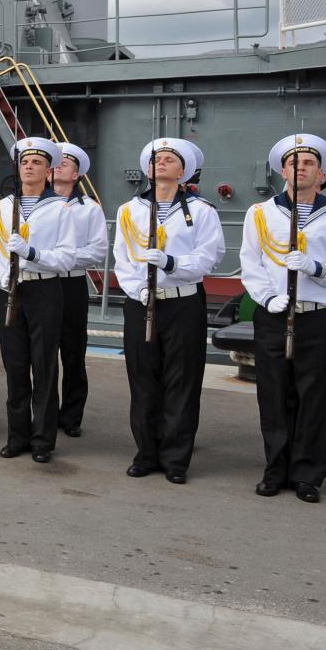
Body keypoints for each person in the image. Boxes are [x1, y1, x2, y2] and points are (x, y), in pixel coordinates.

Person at [240, 134, 326, 502]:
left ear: (321, 173)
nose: (301, 168)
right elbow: (251, 263)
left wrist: (316, 268)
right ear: (282, 170)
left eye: (309, 163)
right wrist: (268, 297)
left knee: (315, 396)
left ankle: (308, 473)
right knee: (273, 393)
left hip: (317, 317)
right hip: (275, 314)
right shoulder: (260, 213)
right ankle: (275, 469)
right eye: (294, 162)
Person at [113, 138, 225, 483]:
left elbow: (211, 256)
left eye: (168, 159)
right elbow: (123, 257)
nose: (160, 163)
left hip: (183, 301)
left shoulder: (202, 211)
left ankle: (176, 459)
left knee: (182, 380)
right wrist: (138, 289)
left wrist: (173, 263)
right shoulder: (129, 210)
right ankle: (146, 453)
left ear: (183, 171)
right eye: (155, 159)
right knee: (143, 380)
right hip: (141, 300)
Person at [0, 137, 77, 463]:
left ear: (49, 170)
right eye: (25, 162)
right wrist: (0, 277)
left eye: (36, 163)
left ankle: (42, 440)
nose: (29, 167)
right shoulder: (2, 207)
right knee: (15, 365)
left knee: (44, 366)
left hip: (44, 290)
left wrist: (31, 254)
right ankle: (17, 435)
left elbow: (66, 258)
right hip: (11, 289)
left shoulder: (60, 209)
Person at [52, 143, 106, 437]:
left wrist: (61, 256)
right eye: (55, 163)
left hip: (71, 282)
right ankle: (46, 411)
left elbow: (97, 251)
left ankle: (71, 415)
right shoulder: (34, 205)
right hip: (40, 282)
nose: (58, 166)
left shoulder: (89, 209)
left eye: (65, 163)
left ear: (77, 174)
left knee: (73, 352)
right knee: (42, 353)